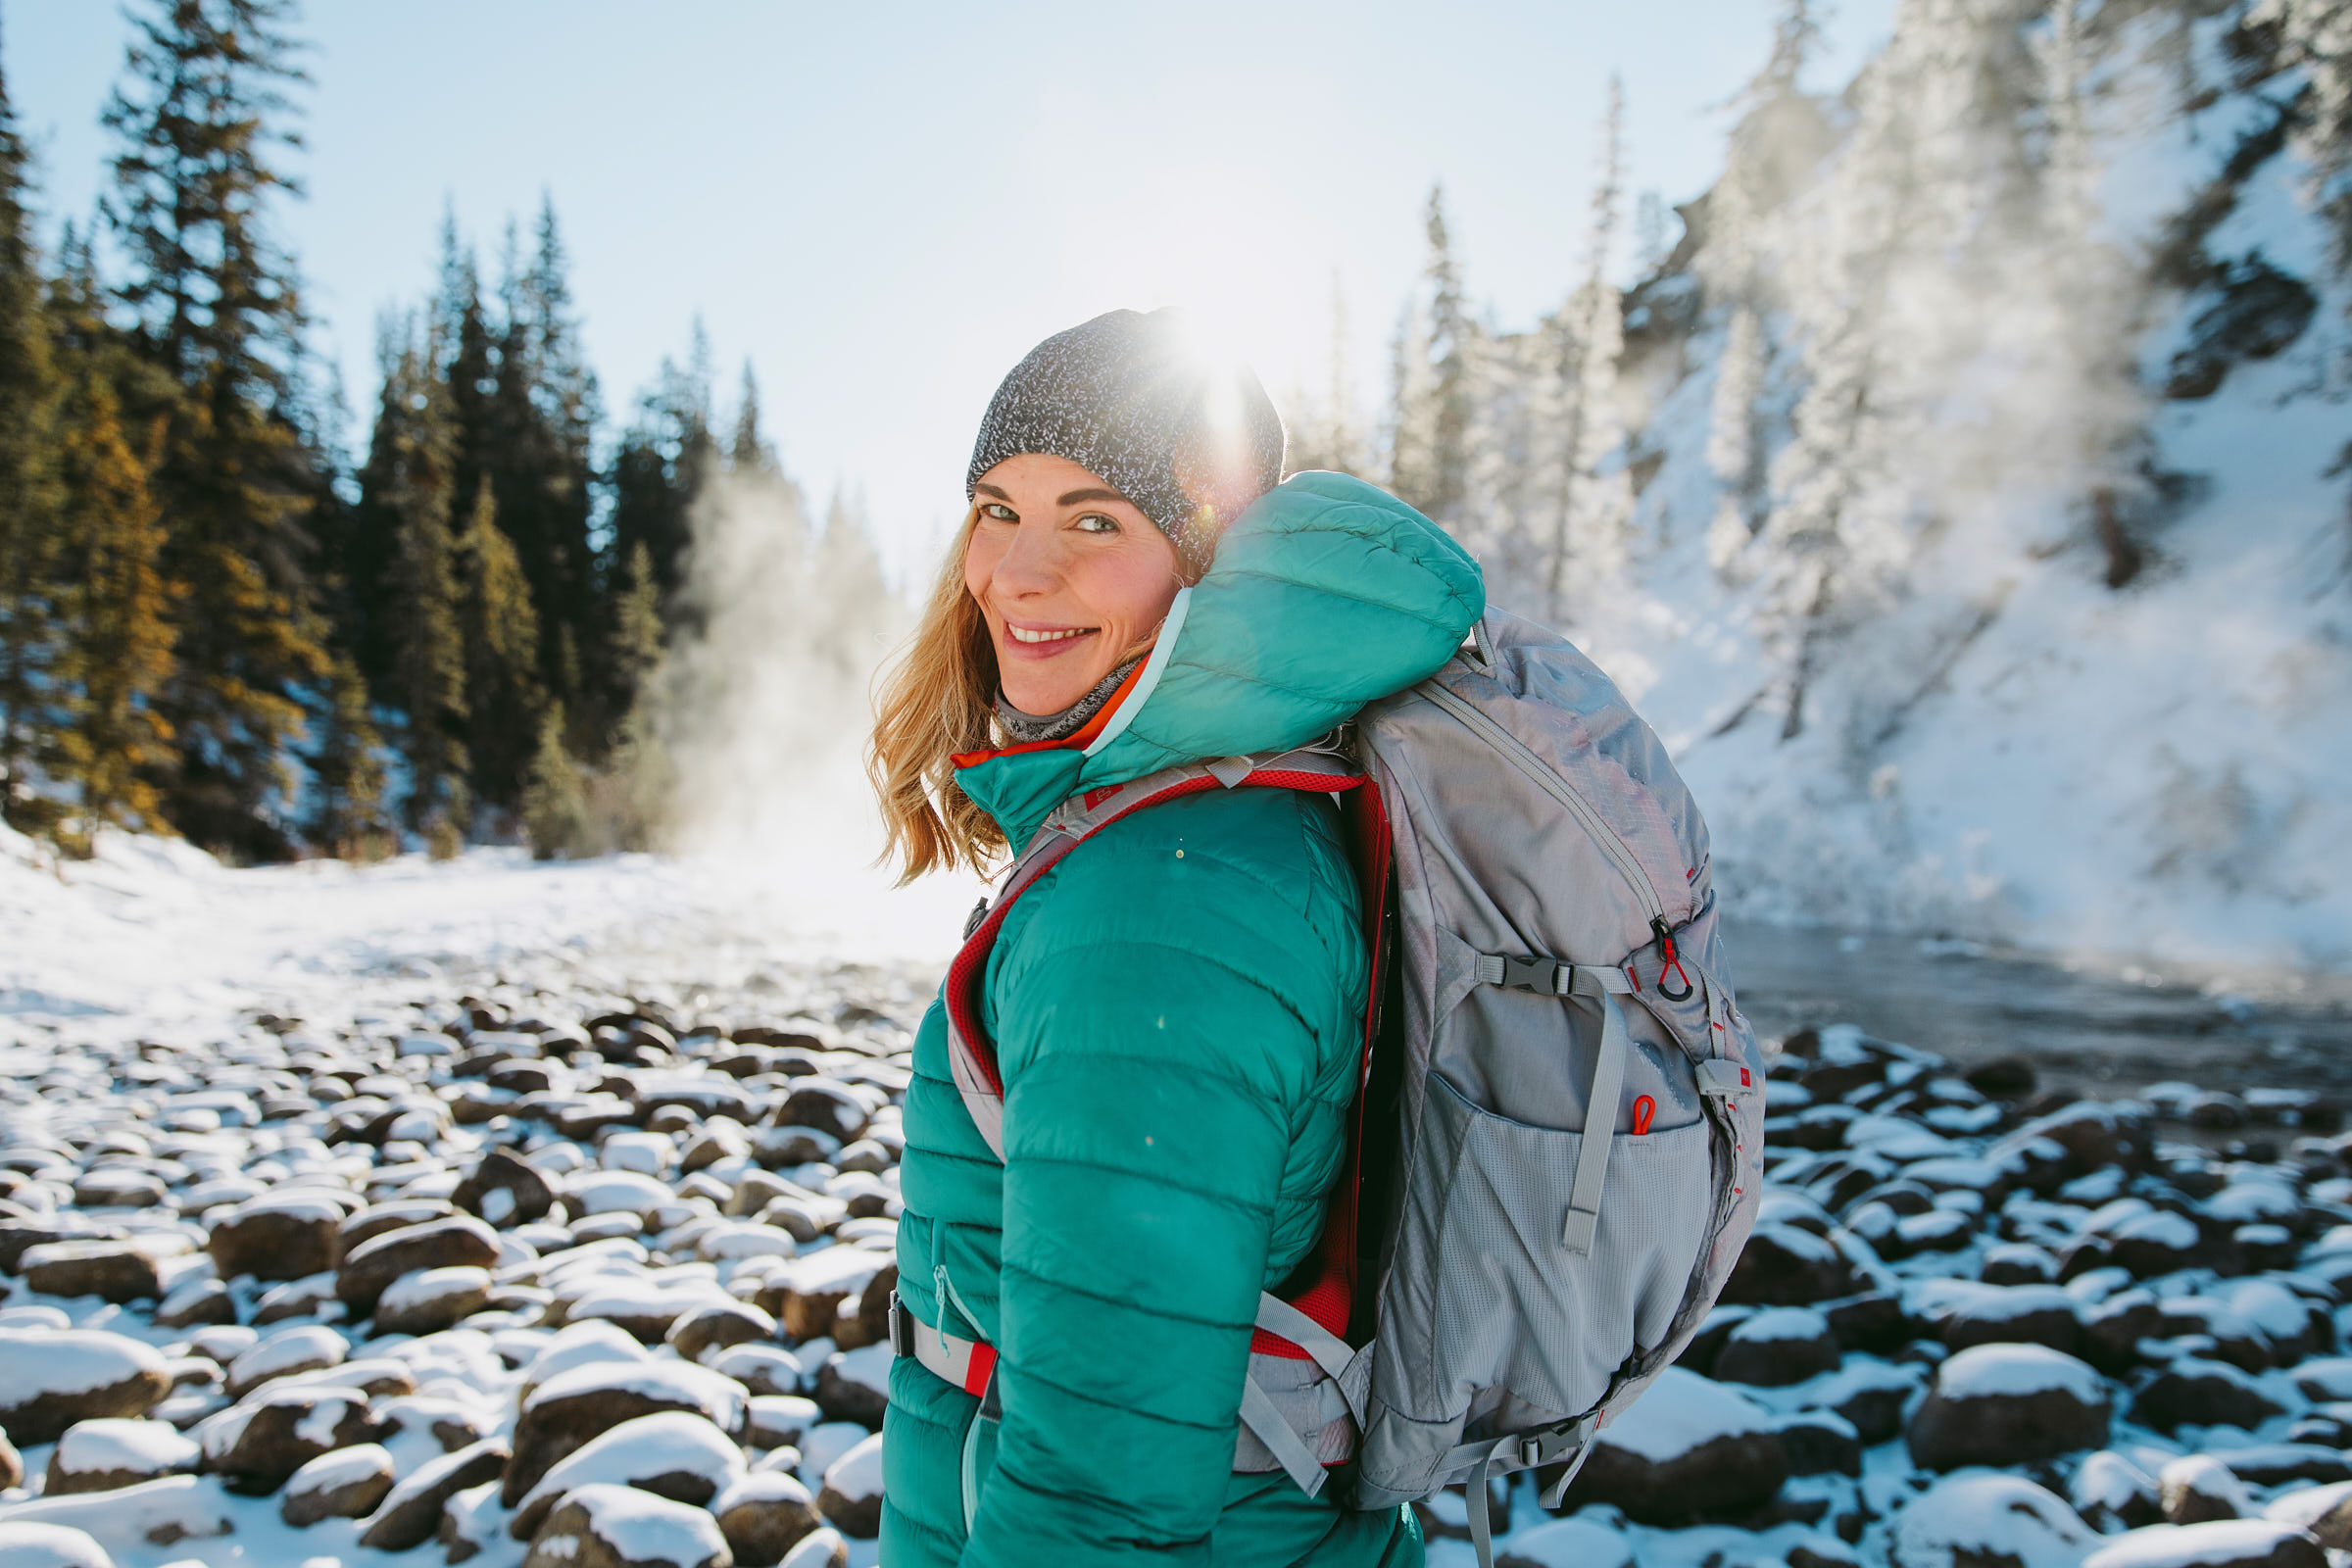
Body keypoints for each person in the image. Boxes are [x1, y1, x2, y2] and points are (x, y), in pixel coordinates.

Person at [867, 307, 1483, 1566]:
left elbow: (1100, 1500)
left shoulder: (1158, 899)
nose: (1018, 573)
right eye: (999, 507)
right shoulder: (1229, 812)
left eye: (1097, 519)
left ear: (1205, 555)